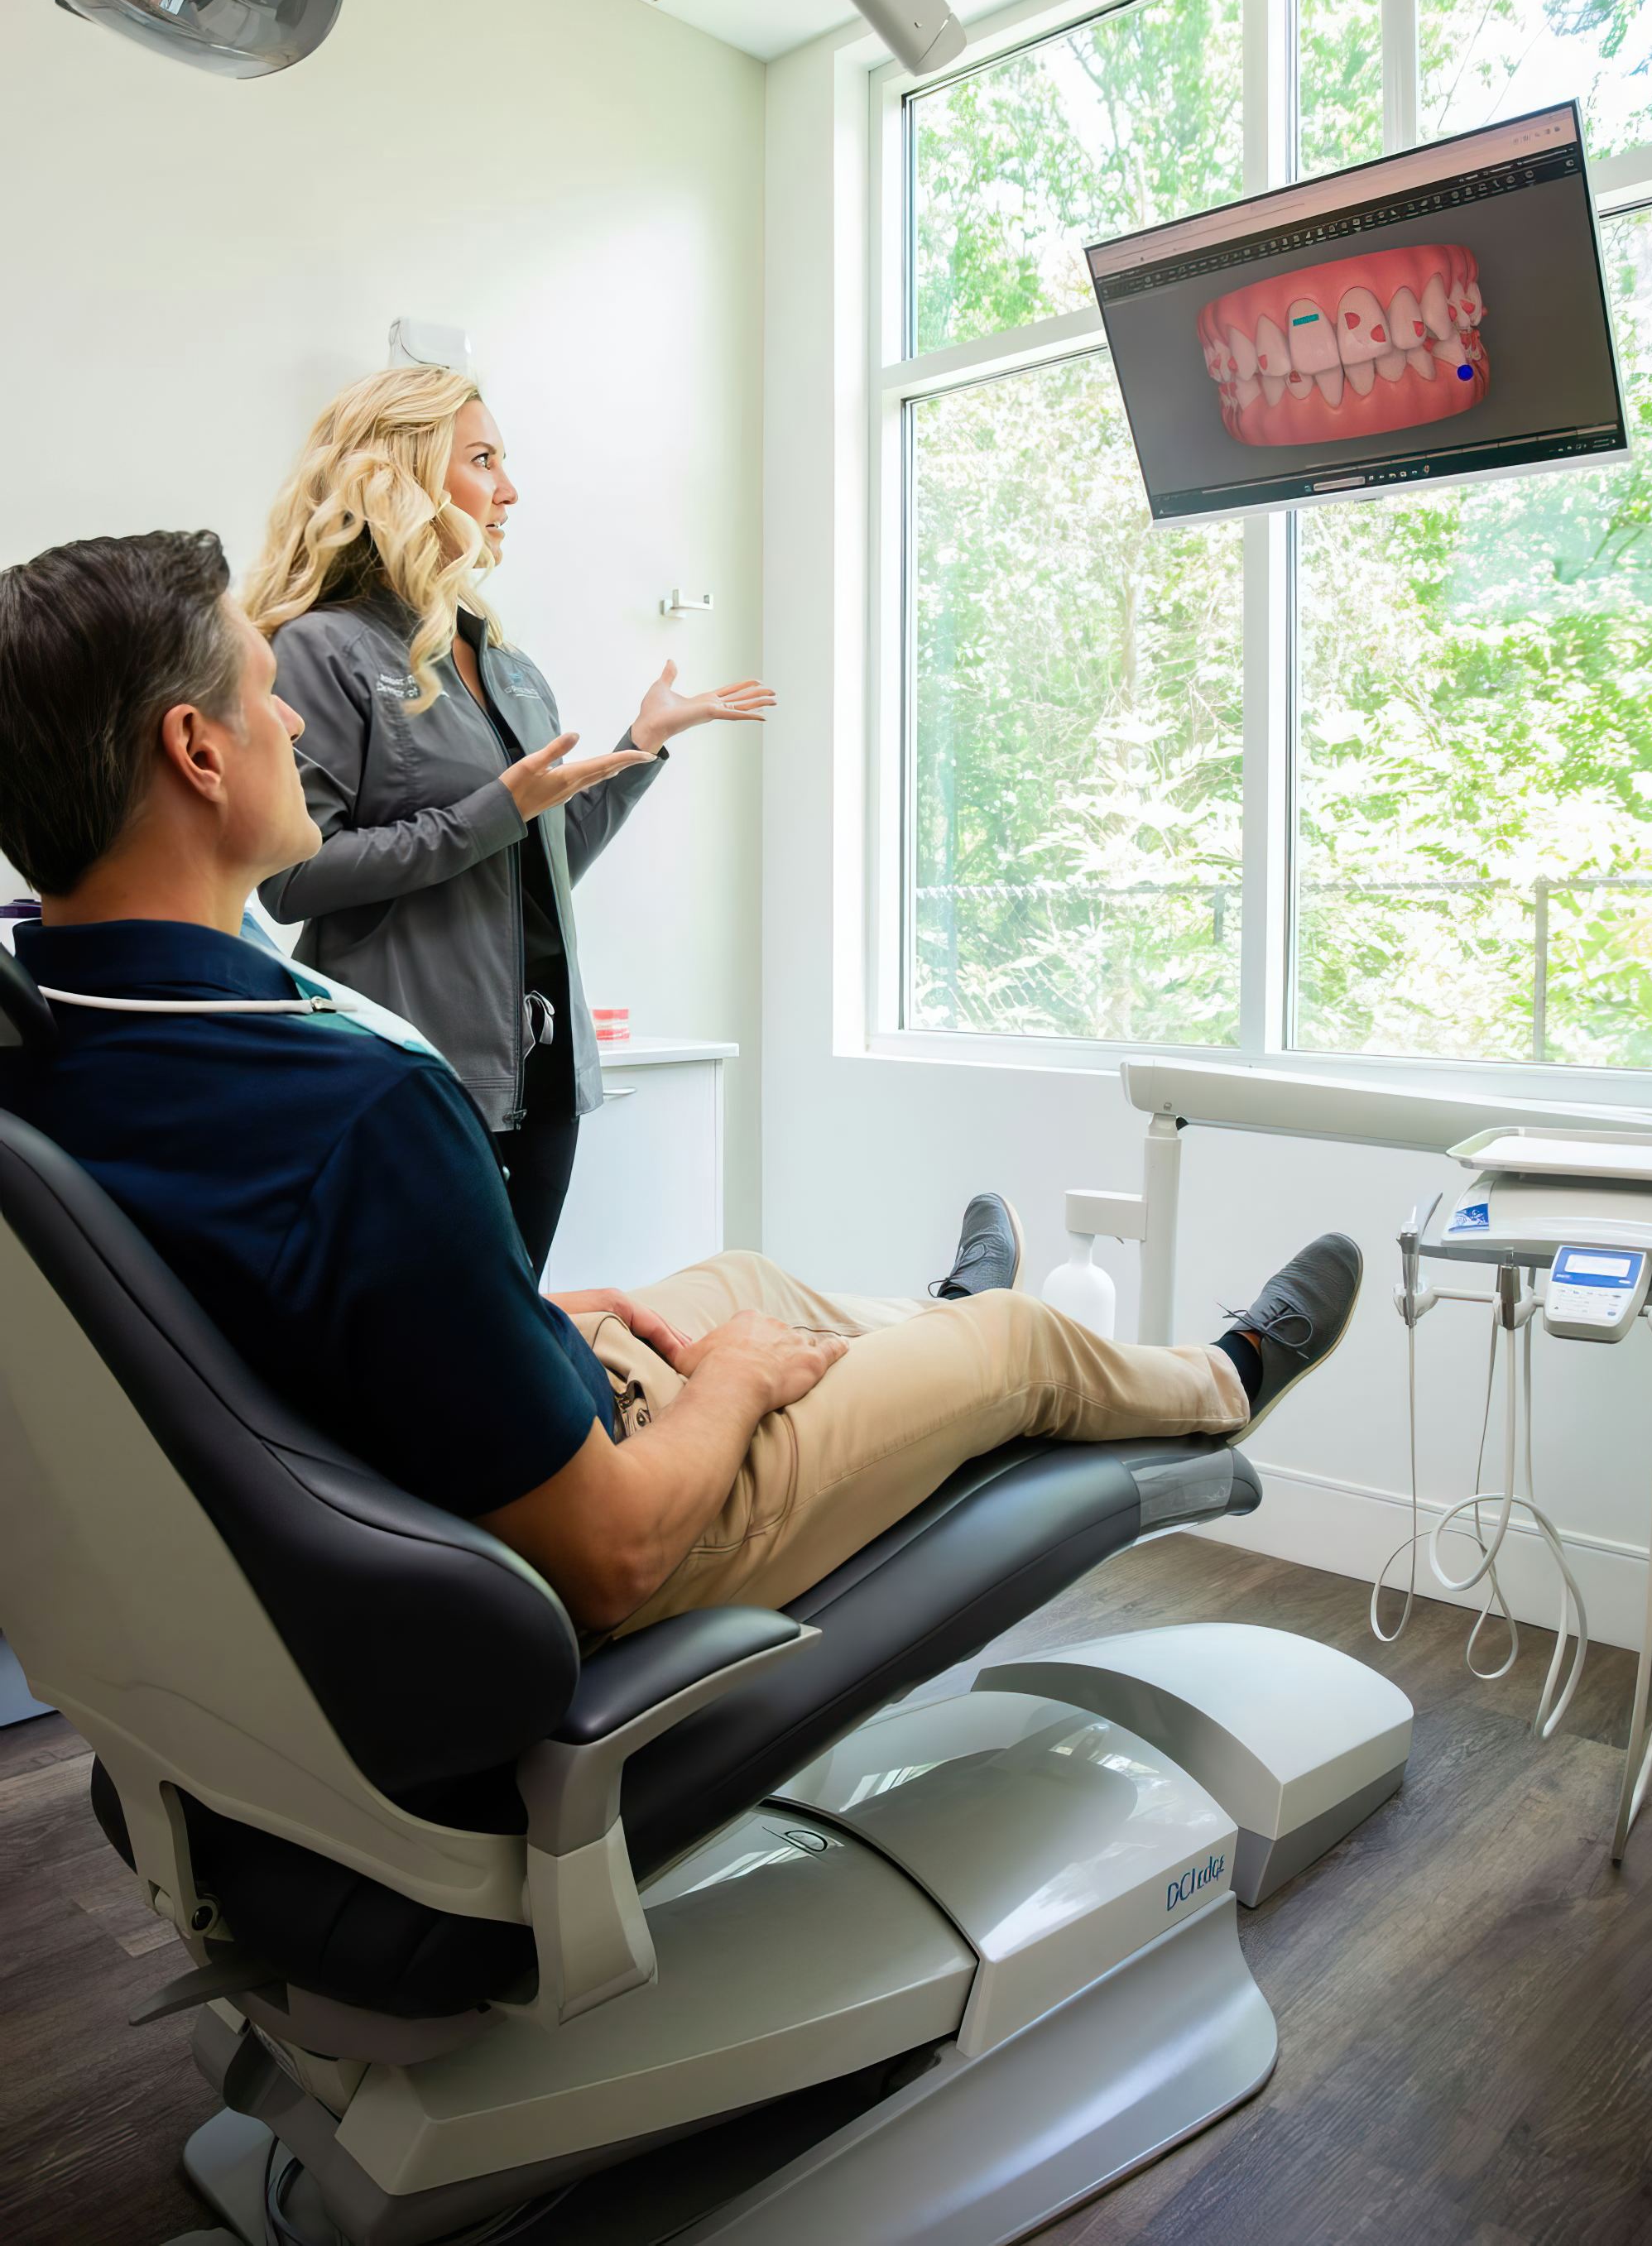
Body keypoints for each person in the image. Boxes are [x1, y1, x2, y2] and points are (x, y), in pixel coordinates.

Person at [0, 533, 1362, 1639]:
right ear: (196, 750)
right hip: (590, 1542)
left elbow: (305, 1317)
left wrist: (533, 1310)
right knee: (1004, 1356)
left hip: (440, 1459)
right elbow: (615, 1552)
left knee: (745, 1282)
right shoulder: (357, 1106)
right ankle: (1215, 1377)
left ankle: (930, 1326)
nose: (291, 711)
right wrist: (729, 1394)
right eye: (263, 689)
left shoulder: (57, 1028)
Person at [244, 367, 774, 1273]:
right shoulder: (318, 646)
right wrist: (495, 810)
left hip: (546, 1077)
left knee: (507, 1342)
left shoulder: (506, 661)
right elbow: (292, 879)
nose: (509, 489)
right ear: (402, 478)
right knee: (439, 1362)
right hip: (415, 1076)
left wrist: (640, 747)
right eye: (482, 460)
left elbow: (542, 857)